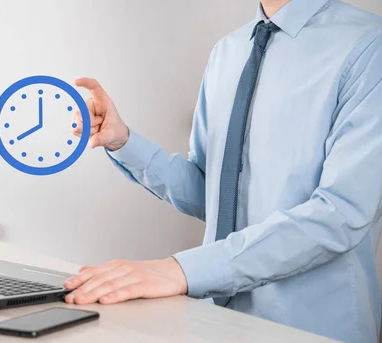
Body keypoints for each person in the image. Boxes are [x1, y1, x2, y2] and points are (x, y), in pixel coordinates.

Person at [64, 0, 382, 342]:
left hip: (315, 330)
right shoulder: (227, 52)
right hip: (218, 325)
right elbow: (212, 194)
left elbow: (341, 214)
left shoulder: (368, 45)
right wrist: (123, 142)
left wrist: (182, 270)